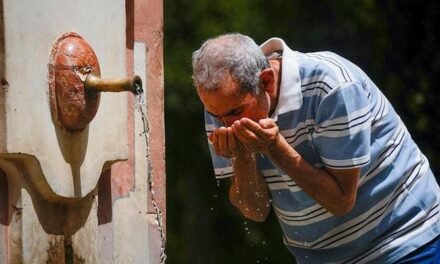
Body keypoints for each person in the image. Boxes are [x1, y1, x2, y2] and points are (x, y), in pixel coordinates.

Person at [192, 33, 440, 263]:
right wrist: (243, 157)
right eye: (216, 115)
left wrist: (274, 147)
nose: (227, 124)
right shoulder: (222, 104)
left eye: (236, 112)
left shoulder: (331, 84)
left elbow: (341, 200)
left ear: (265, 81)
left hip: (405, 239)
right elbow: (255, 210)